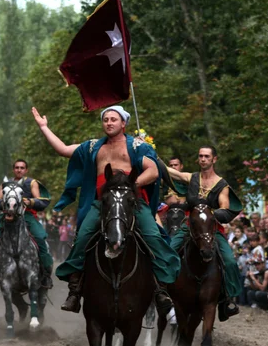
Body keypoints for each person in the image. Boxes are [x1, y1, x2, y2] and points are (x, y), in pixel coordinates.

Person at [32, 105, 180, 314]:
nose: (109, 122)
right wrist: (43, 127)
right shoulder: (93, 147)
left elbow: (153, 171)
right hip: (103, 204)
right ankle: (75, 291)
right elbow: (63, 150)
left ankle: (160, 288)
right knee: (83, 236)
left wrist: (132, 186)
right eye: (106, 119)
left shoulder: (137, 146)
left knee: (153, 236)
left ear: (123, 123)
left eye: (113, 119)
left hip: (132, 202)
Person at [166, 145, 243, 320]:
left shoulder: (221, 185)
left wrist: (210, 215)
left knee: (230, 261)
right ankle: (161, 290)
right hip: (189, 227)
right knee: (169, 249)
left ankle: (226, 300)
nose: (203, 159)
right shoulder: (192, 178)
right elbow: (172, 172)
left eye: (207, 156)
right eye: (200, 156)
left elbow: (224, 207)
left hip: (212, 228)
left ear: (214, 159)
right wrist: (149, 152)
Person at [0, 159, 53, 293]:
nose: (19, 170)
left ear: (26, 170)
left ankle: (46, 275)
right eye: (17, 168)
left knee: (41, 239)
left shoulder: (32, 183)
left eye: (22, 168)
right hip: (7, 216)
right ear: (13, 169)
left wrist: (29, 201)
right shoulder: (5, 184)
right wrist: (7, 204)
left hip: (27, 217)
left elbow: (41, 202)